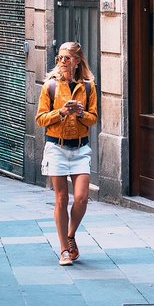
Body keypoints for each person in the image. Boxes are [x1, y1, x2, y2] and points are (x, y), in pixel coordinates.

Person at [36, 41, 98, 265]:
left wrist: (81, 114)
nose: (62, 62)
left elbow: (94, 118)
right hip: (57, 148)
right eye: (59, 58)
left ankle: (70, 236)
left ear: (77, 61)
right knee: (61, 198)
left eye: (67, 58)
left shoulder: (89, 87)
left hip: (81, 148)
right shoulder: (50, 86)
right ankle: (64, 250)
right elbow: (40, 119)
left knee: (81, 198)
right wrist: (61, 112)